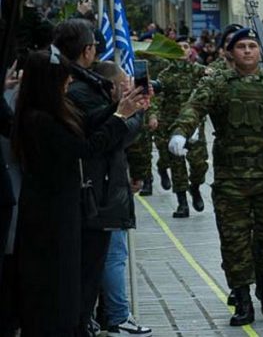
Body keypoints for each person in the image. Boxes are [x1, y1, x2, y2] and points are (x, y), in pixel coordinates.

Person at [168, 29, 263, 326]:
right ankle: (242, 297)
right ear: (230, 53)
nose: (247, 51)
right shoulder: (218, 82)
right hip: (232, 179)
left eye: (252, 46)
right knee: (235, 241)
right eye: (240, 46)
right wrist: (180, 131)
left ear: (260, 51)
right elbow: (194, 107)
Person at [12, 49, 145, 336]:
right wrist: (120, 116)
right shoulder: (38, 119)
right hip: (48, 214)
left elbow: (87, 124)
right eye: (63, 78)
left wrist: (121, 107)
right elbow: (85, 148)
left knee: (70, 283)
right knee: (54, 286)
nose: (69, 82)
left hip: (65, 208)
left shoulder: (56, 111)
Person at [92, 63, 152, 336]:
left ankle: (104, 316)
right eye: (124, 83)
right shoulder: (101, 110)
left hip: (108, 190)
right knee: (114, 256)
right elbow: (121, 135)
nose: (129, 87)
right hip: (105, 195)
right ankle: (117, 316)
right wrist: (137, 111)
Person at [150, 39, 210, 218]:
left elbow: (215, 81)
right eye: (179, 47)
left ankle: (196, 187)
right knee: (177, 166)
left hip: (194, 127)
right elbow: (156, 99)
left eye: (186, 47)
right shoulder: (165, 76)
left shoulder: (199, 71)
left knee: (199, 164)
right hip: (173, 126)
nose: (183, 50)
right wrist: (153, 115)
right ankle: (182, 203)